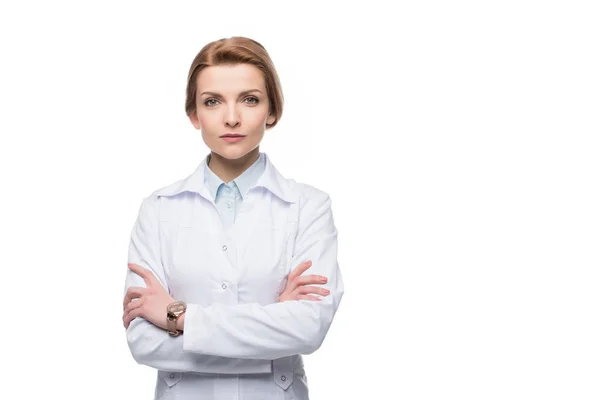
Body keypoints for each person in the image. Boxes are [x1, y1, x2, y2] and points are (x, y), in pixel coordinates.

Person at [122, 36, 344, 400]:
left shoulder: (310, 206)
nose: (232, 118)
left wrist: (177, 317)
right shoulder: (158, 209)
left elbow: (308, 328)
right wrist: (271, 335)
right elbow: (144, 342)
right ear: (194, 115)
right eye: (212, 102)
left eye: (250, 99)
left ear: (272, 111)